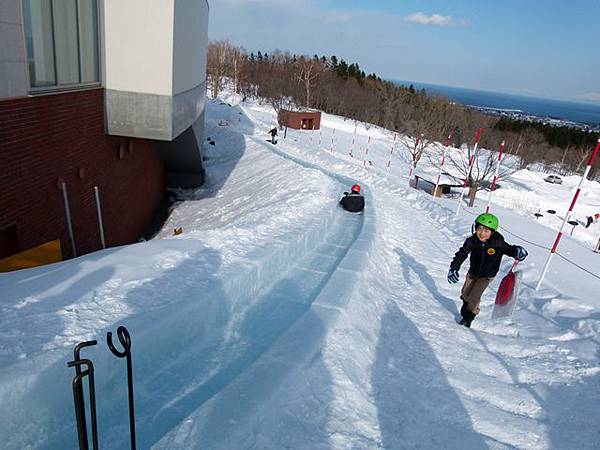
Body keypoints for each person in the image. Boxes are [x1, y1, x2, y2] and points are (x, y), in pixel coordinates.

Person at [447, 212, 528, 328]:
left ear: (492, 232)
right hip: (473, 273)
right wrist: (454, 267)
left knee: (475, 296)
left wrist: (517, 251)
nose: (482, 233)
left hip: (487, 276)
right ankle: (467, 303)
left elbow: (509, 249)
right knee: (465, 293)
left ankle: (469, 317)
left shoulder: (497, 243)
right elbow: (462, 254)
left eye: (486, 231)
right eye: (479, 229)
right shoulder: (472, 241)